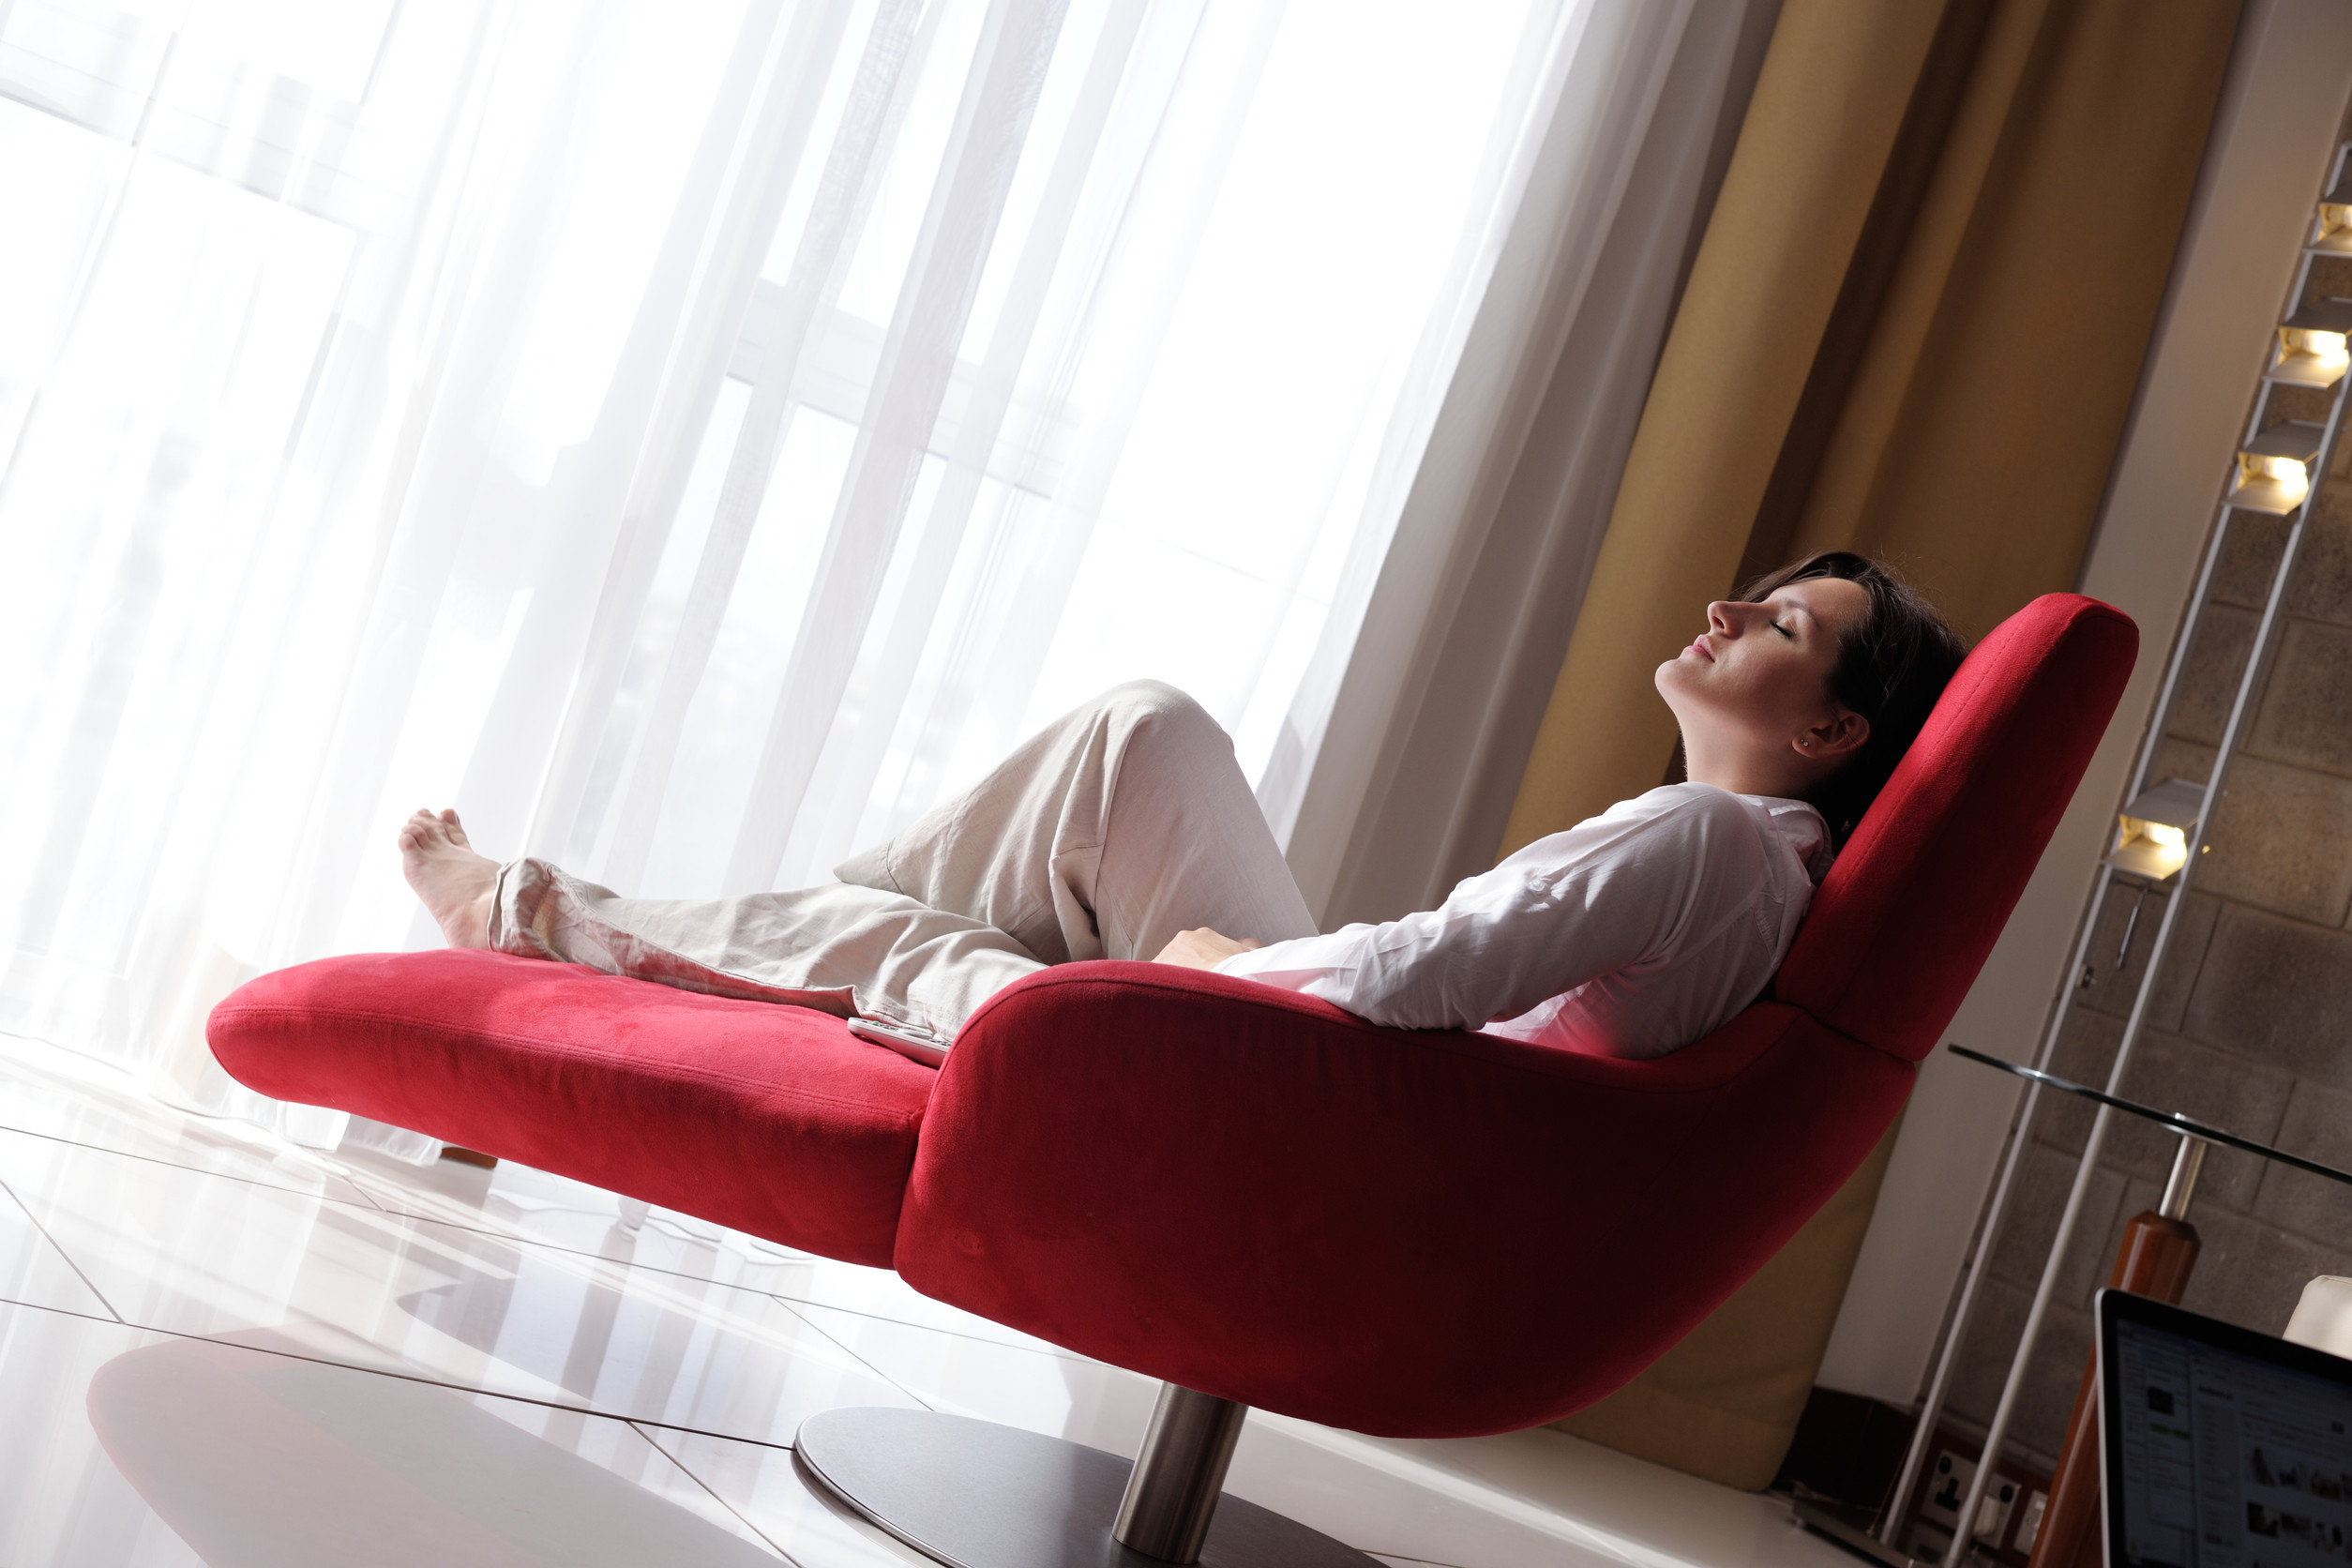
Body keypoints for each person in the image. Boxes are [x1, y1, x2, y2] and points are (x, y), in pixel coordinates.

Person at [400, 550, 1964, 1063]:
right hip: (1343, 1046)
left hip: (1322, 1089)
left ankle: (530, 910)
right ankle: (836, 946)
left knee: (889, 935)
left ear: (1833, 724)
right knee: (1140, 736)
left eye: (1777, 625)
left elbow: (1425, 985)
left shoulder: (1704, 842)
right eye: (1750, 593)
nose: (1724, 610)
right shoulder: (1739, 856)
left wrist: (1212, 971)